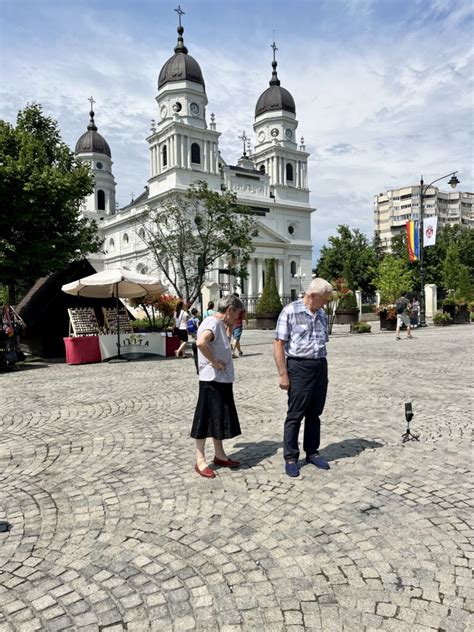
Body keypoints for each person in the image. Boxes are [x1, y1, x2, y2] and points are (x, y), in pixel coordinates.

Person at [274, 278, 334, 478]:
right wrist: (283, 374)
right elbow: (279, 344)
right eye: (324, 300)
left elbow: (321, 341)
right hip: (299, 366)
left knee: (315, 413)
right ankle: (291, 457)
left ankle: (312, 452)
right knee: (295, 413)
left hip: (319, 365)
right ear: (313, 296)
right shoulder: (290, 311)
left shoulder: (321, 314)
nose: (325, 304)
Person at [191, 294, 244, 478]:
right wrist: (214, 362)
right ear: (230, 310)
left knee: (218, 416)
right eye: (237, 314)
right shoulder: (212, 323)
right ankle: (200, 460)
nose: (237, 318)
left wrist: (228, 331)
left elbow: (217, 345)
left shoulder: (220, 325)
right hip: (211, 380)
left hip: (221, 380)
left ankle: (220, 455)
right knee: (205, 417)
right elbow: (201, 343)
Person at [231, 293, 248, 358]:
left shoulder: (230, 305)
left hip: (231, 324)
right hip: (238, 324)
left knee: (236, 339)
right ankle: (232, 352)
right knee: (236, 338)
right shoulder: (241, 306)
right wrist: (246, 320)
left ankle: (239, 351)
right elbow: (244, 314)